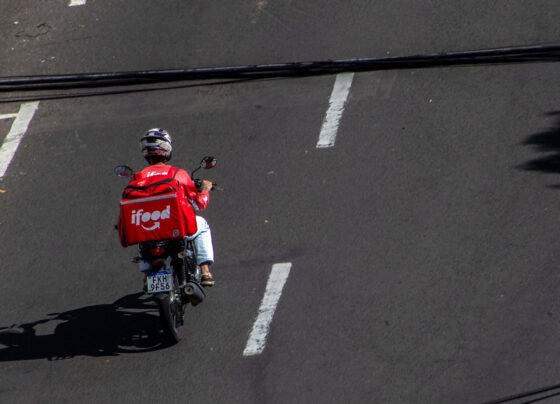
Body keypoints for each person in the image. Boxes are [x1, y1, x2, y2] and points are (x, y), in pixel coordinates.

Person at [134, 128, 215, 287]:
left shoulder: (137, 178)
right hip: (176, 229)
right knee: (202, 224)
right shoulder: (178, 174)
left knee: (142, 235)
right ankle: (205, 271)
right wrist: (205, 189)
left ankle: (146, 277)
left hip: (152, 230)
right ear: (167, 149)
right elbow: (199, 204)